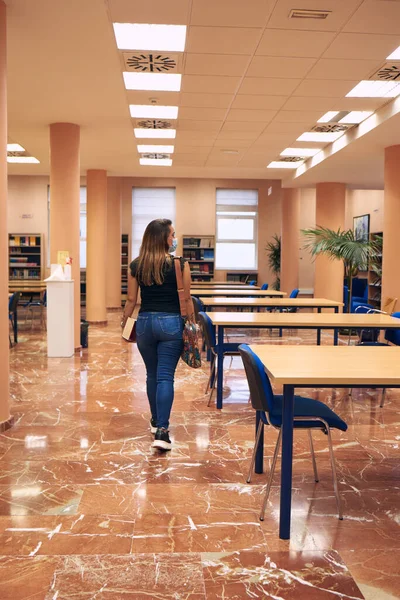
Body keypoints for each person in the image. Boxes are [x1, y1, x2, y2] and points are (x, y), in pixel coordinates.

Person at [121, 219, 195, 451]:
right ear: (163, 238)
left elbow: (131, 300)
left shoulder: (135, 265)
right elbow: (187, 299)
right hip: (171, 324)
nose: (174, 239)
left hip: (145, 324)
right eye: (172, 235)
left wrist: (124, 322)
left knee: (152, 375)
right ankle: (162, 430)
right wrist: (191, 325)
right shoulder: (180, 264)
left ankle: (155, 421)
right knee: (165, 377)